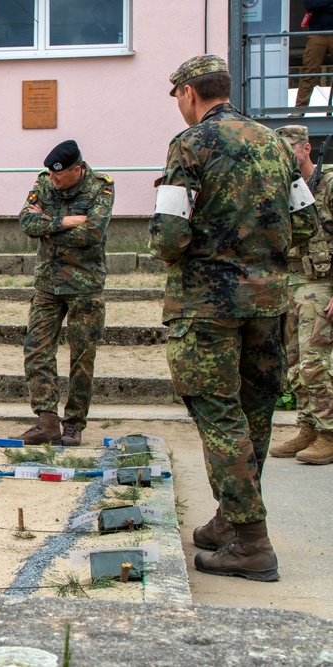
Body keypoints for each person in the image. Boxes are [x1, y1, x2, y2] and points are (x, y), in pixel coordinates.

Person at [150, 55, 318, 581]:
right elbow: (308, 225)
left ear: (189, 94)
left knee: (221, 419)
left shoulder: (190, 145)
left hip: (208, 308)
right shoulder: (275, 145)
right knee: (255, 416)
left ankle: (251, 542)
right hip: (268, 305)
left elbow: (168, 238)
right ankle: (230, 520)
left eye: (177, 96)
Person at [15, 140, 114, 448]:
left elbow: (93, 232)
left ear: (77, 169)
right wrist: (66, 220)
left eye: (60, 174)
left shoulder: (101, 187)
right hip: (48, 284)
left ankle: (73, 423)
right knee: (36, 350)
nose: (53, 179)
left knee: (82, 356)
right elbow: (26, 221)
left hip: (85, 285)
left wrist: (49, 227)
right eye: (51, 173)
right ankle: (47, 420)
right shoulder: (44, 182)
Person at [271, 125, 333, 466]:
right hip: (291, 283)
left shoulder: (329, 184)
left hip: (320, 284)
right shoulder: (287, 190)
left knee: (315, 362)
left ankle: (329, 432)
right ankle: (308, 426)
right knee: (294, 362)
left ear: (306, 149)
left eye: (290, 150)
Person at [295, 1, 333, 112]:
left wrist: (321, 5)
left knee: (309, 73)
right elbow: (309, 5)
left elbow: (315, 5)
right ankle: (300, 110)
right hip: (317, 35)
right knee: (309, 72)